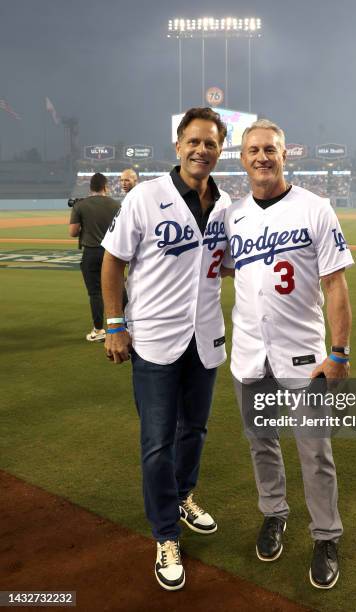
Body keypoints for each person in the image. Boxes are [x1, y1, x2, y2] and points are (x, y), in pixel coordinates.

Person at [101, 107, 230, 591]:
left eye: (211, 143)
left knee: (194, 429)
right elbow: (113, 261)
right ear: (177, 146)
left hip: (206, 337)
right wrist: (115, 324)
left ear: (220, 150)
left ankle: (183, 495)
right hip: (153, 338)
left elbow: (230, 264)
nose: (201, 150)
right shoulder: (145, 196)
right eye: (193, 141)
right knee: (157, 442)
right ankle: (165, 535)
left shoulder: (226, 204)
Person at [223, 119, 354, 590]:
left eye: (270, 150)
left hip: (303, 357)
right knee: (261, 443)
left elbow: (335, 284)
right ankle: (274, 514)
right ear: (242, 158)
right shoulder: (232, 215)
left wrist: (338, 352)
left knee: (314, 452)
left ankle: (325, 536)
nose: (262, 156)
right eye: (253, 149)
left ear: (284, 155)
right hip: (249, 355)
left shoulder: (315, 209)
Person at [69, 172, 120, 342]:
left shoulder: (80, 205)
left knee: (95, 292)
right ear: (105, 186)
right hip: (112, 252)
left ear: (90, 187)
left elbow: (73, 232)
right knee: (119, 289)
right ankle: (127, 325)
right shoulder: (116, 204)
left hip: (91, 252)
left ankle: (99, 330)